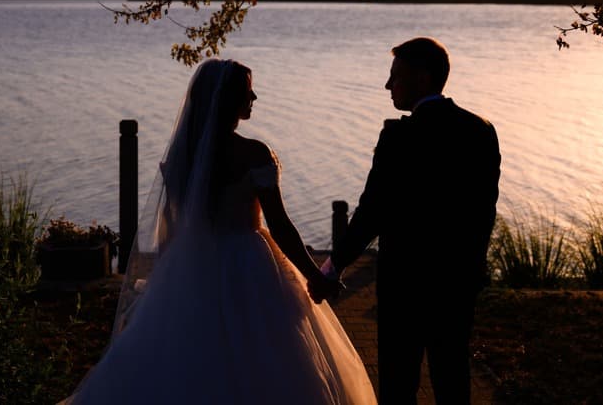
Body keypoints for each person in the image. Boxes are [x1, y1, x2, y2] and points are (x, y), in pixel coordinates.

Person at [63, 59, 377, 405]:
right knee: (266, 358)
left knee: (191, 355)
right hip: (249, 264)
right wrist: (315, 276)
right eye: (246, 91)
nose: (254, 96)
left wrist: (169, 278)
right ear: (226, 99)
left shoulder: (181, 159)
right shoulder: (254, 153)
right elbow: (281, 225)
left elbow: (173, 227)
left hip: (194, 263)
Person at [320, 37, 501, 404]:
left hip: (404, 280)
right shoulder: (481, 130)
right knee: (452, 374)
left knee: (399, 380)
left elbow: (371, 212)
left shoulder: (399, 137)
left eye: (395, 76)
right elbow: (485, 210)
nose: (388, 85)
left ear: (421, 78)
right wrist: (472, 267)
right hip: (457, 280)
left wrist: (332, 266)